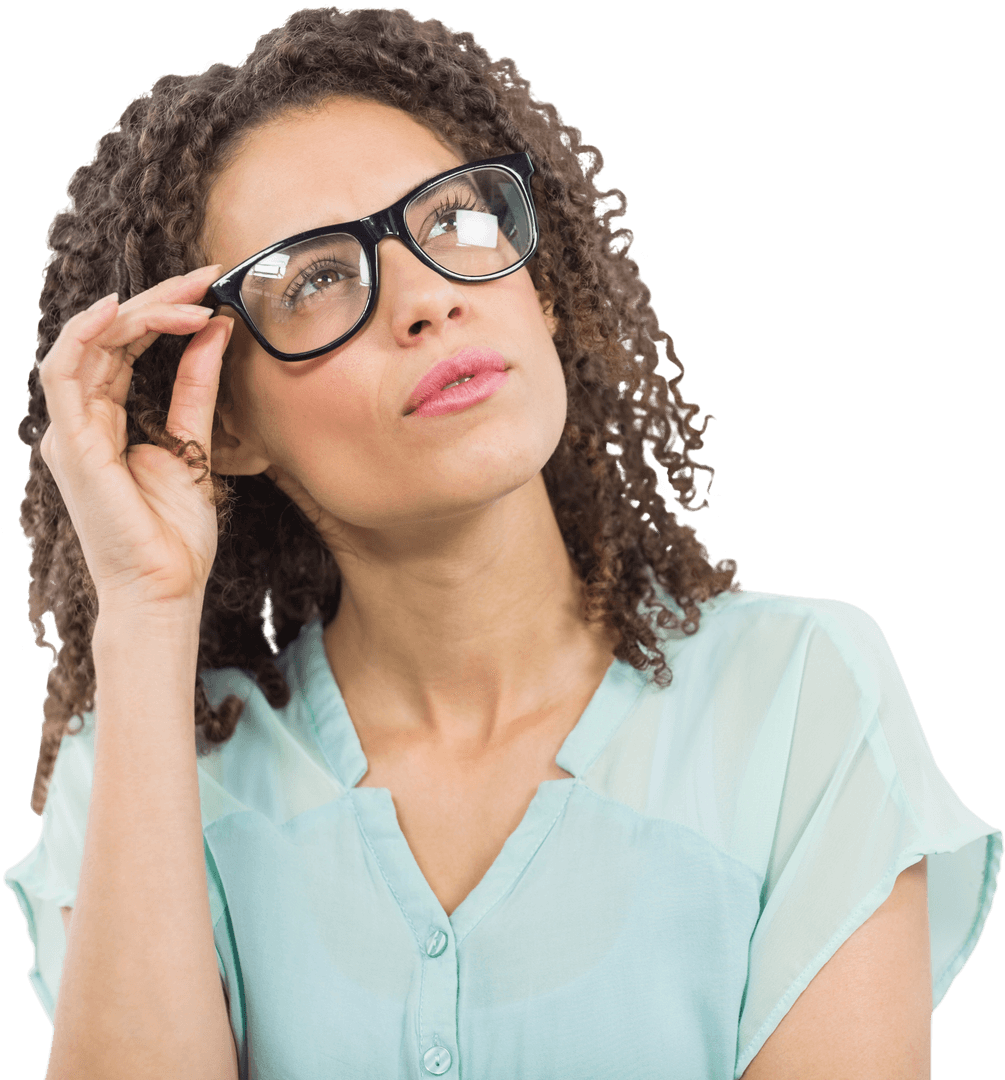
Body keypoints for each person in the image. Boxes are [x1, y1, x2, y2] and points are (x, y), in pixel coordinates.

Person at [4, 7, 1001, 1080]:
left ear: (543, 291)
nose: (429, 301)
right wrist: (148, 610)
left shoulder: (803, 699)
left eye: (455, 221)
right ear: (225, 422)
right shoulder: (143, 775)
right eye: (316, 278)